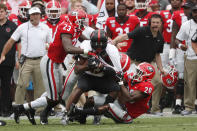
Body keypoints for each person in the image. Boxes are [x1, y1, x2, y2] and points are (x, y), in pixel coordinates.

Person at [8, 9, 93, 125]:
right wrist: (87, 51)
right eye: (81, 20)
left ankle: (26, 108)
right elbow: (68, 48)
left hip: (56, 63)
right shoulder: (67, 27)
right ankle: (23, 108)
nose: (83, 23)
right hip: (50, 62)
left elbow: (85, 39)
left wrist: (98, 43)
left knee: (56, 96)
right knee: (53, 98)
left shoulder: (75, 27)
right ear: (75, 19)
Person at [0, 6, 52, 115]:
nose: (36, 16)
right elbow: (11, 41)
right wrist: (3, 54)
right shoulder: (22, 27)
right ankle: (18, 109)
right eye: (33, 14)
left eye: (37, 14)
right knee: (21, 85)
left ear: (40, 15)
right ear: (29, 16)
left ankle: (39, 111)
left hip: (41, 60)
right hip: (27, 60)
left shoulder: (45, 27)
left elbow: (50, 44)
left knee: (40, 87)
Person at [65, 29, 123, 124]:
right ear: (91, 41)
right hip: (88, 76)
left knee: (115, 88)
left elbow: (118, 73)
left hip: (104, 77)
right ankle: (67, 112)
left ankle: (101, 112)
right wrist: (88, 66)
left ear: (106, 43)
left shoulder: (112, 50)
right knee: (79, 88)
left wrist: (103, 68)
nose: (99, 46)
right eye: (96, 43)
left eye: (101, 43)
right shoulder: (85, 45)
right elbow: (76, 69)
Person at [112, 14, 165, 115]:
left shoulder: (160, 38)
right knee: (122, 79)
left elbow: (157, 55)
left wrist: (161, 69)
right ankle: (117, 103)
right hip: (133, 61)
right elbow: (125, 36)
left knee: (158, 82)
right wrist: (113, 42)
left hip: (148, 64)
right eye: (153, 22)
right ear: (150, 22)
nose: (155, 24)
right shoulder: (142, 30)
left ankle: (155, 109)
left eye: (157, 23)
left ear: (161, 24)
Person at [68, 62, 155, 124]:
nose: (136, 74)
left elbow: (129, 98)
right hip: (119, 104)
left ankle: (78, 112)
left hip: (127, 114)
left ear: (147, 77)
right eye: (137, 71)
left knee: (109, 107)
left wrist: (120, 82)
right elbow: (118, 79)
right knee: (91, 100)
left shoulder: (147, 86)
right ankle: (82, 119)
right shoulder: (131, 76)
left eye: (140, 73)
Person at [170, 1, 195, 114]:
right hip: (191, 56)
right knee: (189, 82)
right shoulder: (186, 25)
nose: (195, 13)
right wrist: (180, 46)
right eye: (194, 12)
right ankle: (189, 107)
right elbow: (177, 39)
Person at [0, 3, 17, 117]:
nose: (0, 13)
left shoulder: (12, 26)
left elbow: (18, 43)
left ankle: (6, 109)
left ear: (6, 12)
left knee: (6, 85)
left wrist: (17, 58)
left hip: (8, 61)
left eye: (1, 11)